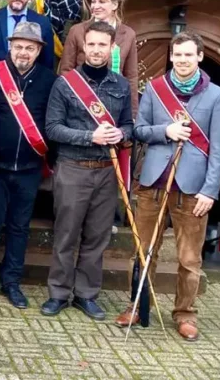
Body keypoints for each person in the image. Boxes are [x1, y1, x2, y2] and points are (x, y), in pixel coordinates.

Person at [117, 32, 220, 341]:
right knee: (143, 251)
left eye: (188, 55)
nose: (181, 61)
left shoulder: (217, 96)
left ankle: (185, 313)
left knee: (189, 258)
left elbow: (219, 148)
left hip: (193, 189)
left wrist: (210, 191)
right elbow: (139, 130)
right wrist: (165, 130)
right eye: (177, 55)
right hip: (153, 182)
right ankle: (138, 305)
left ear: (200, 57)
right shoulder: (155, 88)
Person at [42, 21, 134, 320]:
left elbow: (130, 126)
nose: (96, 50)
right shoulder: (65, 83)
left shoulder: (121, 85)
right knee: (66, 235)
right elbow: (52, 128)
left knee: (97, 238)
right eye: (91, 44)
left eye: (102, 45)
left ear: (111, 48)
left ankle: (86, 294)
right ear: (83, 47)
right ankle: (58, 293)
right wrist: (88, 136)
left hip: (106, 171)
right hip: (72, 168)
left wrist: (120, 134)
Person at [0, 22, 56, 308]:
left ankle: (11, 283)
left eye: (30, 48)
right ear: (10, 46)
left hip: (30, 169)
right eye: (18, 46)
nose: (23, 52)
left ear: (38, 50)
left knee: (19, 228)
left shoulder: (49, 80)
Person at [59, 0, 139, 113]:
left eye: (101, 2)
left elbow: (131, 76)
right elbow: (66, 69)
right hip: (82, 101)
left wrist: (133, 113)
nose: (95, 6)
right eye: (93, 2)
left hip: (115, 102)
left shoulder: (128, 34)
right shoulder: (77, 31)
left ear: (114, 5)